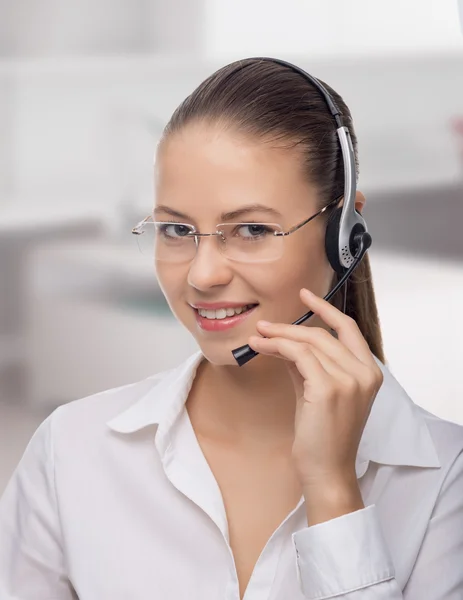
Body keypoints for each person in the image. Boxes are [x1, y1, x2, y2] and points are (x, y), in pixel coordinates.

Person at [0, 58, 462, 600]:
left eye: (251, 229)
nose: (202, 274)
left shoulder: (445, 480)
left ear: (346, 234)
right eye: (176, 229)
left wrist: (334, 492)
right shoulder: (71, 449)